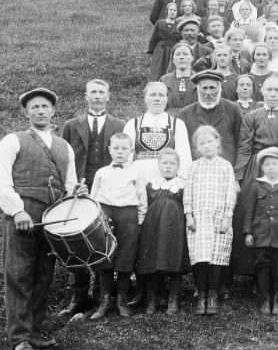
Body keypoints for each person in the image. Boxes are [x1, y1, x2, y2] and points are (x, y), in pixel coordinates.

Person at [0, 88, 86, 350]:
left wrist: (76, 193)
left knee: (44, 274)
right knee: (19, 275)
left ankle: (33, 332)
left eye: (45, 106)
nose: (40, 111)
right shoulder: (13, 140)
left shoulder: (64, 147)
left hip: (52, 217)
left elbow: (69, 185)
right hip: (23, 214)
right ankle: (19, 337)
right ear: (26, 113)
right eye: (35, 107)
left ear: (53, 111)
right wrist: (17, 211)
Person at [58, 79, 125, 317]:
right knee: (75, 241)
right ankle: (79, 297)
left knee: (101, 239)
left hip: (107, 191)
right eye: (93, 92)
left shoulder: (120, 124)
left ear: (109, 97)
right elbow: (64, 157)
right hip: (77, 189)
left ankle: (101, 295)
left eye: (102, 93)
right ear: (85, 96)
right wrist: (71, 185)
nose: (97, 96)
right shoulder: (71, 125)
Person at [232, 75, 278, 280]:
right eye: (269, 90)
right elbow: (244, 149)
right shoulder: (252, 117)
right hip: (259, 166)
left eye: (277, 90)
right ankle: (258, 273)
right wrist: (238, 177)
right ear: (262, 92)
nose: (273, 94)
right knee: (257, 212)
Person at [89, 133, 148, 320]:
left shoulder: (136, 173)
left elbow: (142, 199)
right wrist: (96, 220)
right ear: (109, 150)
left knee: (126, 257)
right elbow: (93, 198)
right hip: (105, 214)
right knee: (105, 256)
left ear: (131, 151)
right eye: (116, 148)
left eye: (124, 149)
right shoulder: (101, 173)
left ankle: (121, 300)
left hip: (128, 215)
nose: (120, 152)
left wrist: (138, 222)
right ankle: (105, 301)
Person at [184, 126, 238, 315]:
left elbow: (230, 193)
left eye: (209, 142)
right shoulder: (194, 166)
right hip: (198, 218)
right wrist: (189, 214)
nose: (206, 146)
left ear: (217, 142)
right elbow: (188, 192)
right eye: (202, 143)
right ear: (197, 147)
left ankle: (213, 294)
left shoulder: (225, 166)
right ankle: (202, 294)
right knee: (200, 256)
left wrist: (227, 217)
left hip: (218, 217)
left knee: (215, 257)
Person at [243, 147, 278, 316]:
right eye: (267, 164)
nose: (271, 167)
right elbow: (249, 211)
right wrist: (248, 232)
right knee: (263, 266)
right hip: (261, 234)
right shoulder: (256, 185)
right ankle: (265, 298)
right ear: (262, 167)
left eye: (274, 164)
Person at [136, 148, 188, 315]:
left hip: (176, 228)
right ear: (158, 165)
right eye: (164, 163)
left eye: (172, 163)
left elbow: (188, 205)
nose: (168, 166)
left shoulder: (182, 185)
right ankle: (152, 298)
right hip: (154, 228)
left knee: (175, 259)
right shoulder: (151, 184)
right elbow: (144, 204)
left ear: (178, 166)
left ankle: (173, 298)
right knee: (153, 259)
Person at [159, 43, 198, 114]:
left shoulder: (199, 80)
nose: (181, 57)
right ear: (173, 59)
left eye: (185, 54)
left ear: (192, 58)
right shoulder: (164, 81)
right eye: (178, 54)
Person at [148, 2, 182, 81]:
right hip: (160, 51)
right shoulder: (159, 23)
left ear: (176, 12)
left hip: (172, 52)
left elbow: (181, 39)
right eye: (170, 10)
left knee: (170, 72)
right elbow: (153, 38)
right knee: (157, 71)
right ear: (167, 11)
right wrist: (152, 52)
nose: (172, 12)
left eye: (174, 10)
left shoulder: (179, 25)